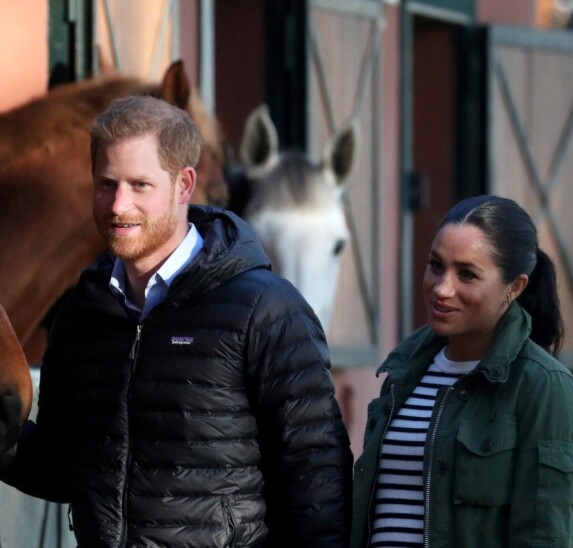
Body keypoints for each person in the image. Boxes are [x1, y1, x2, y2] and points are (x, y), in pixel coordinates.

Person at [1, 95, 353, 547]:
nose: (118, 205)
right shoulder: (82, 316)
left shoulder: (267, 311)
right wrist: (5, 442)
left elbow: (317, 492)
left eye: (140, 185)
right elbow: (64, 468)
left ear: (185, 185)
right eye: (106, 183)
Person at [351, 195, 573, 547]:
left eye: (467, 274)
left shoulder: (543, 387)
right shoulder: (402, 374)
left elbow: (547, 535)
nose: (442, 289)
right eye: (435, 265)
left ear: (514, 288)